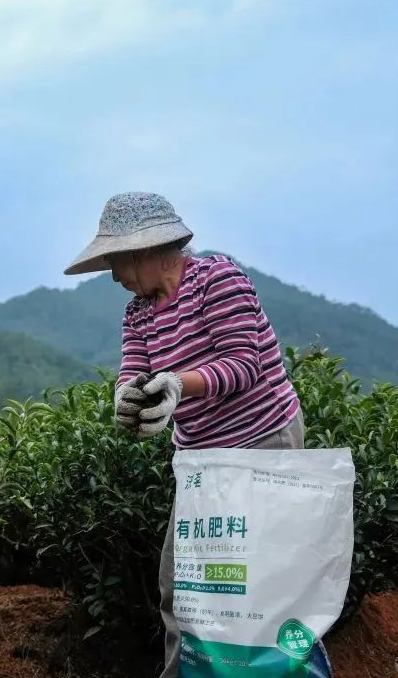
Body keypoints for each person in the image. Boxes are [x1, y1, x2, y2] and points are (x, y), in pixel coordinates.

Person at [63, 191, 307, 678]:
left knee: (259, 580)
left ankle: (272, 671)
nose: (115, 275)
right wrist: (129, 400)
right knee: (184, 582)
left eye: (117, 260)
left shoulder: (218, 279)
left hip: (263, 440)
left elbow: (244, 364)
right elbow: (134, 369)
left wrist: (178, 383)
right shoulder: (138, 311)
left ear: (147, 250)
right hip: (200, 460)